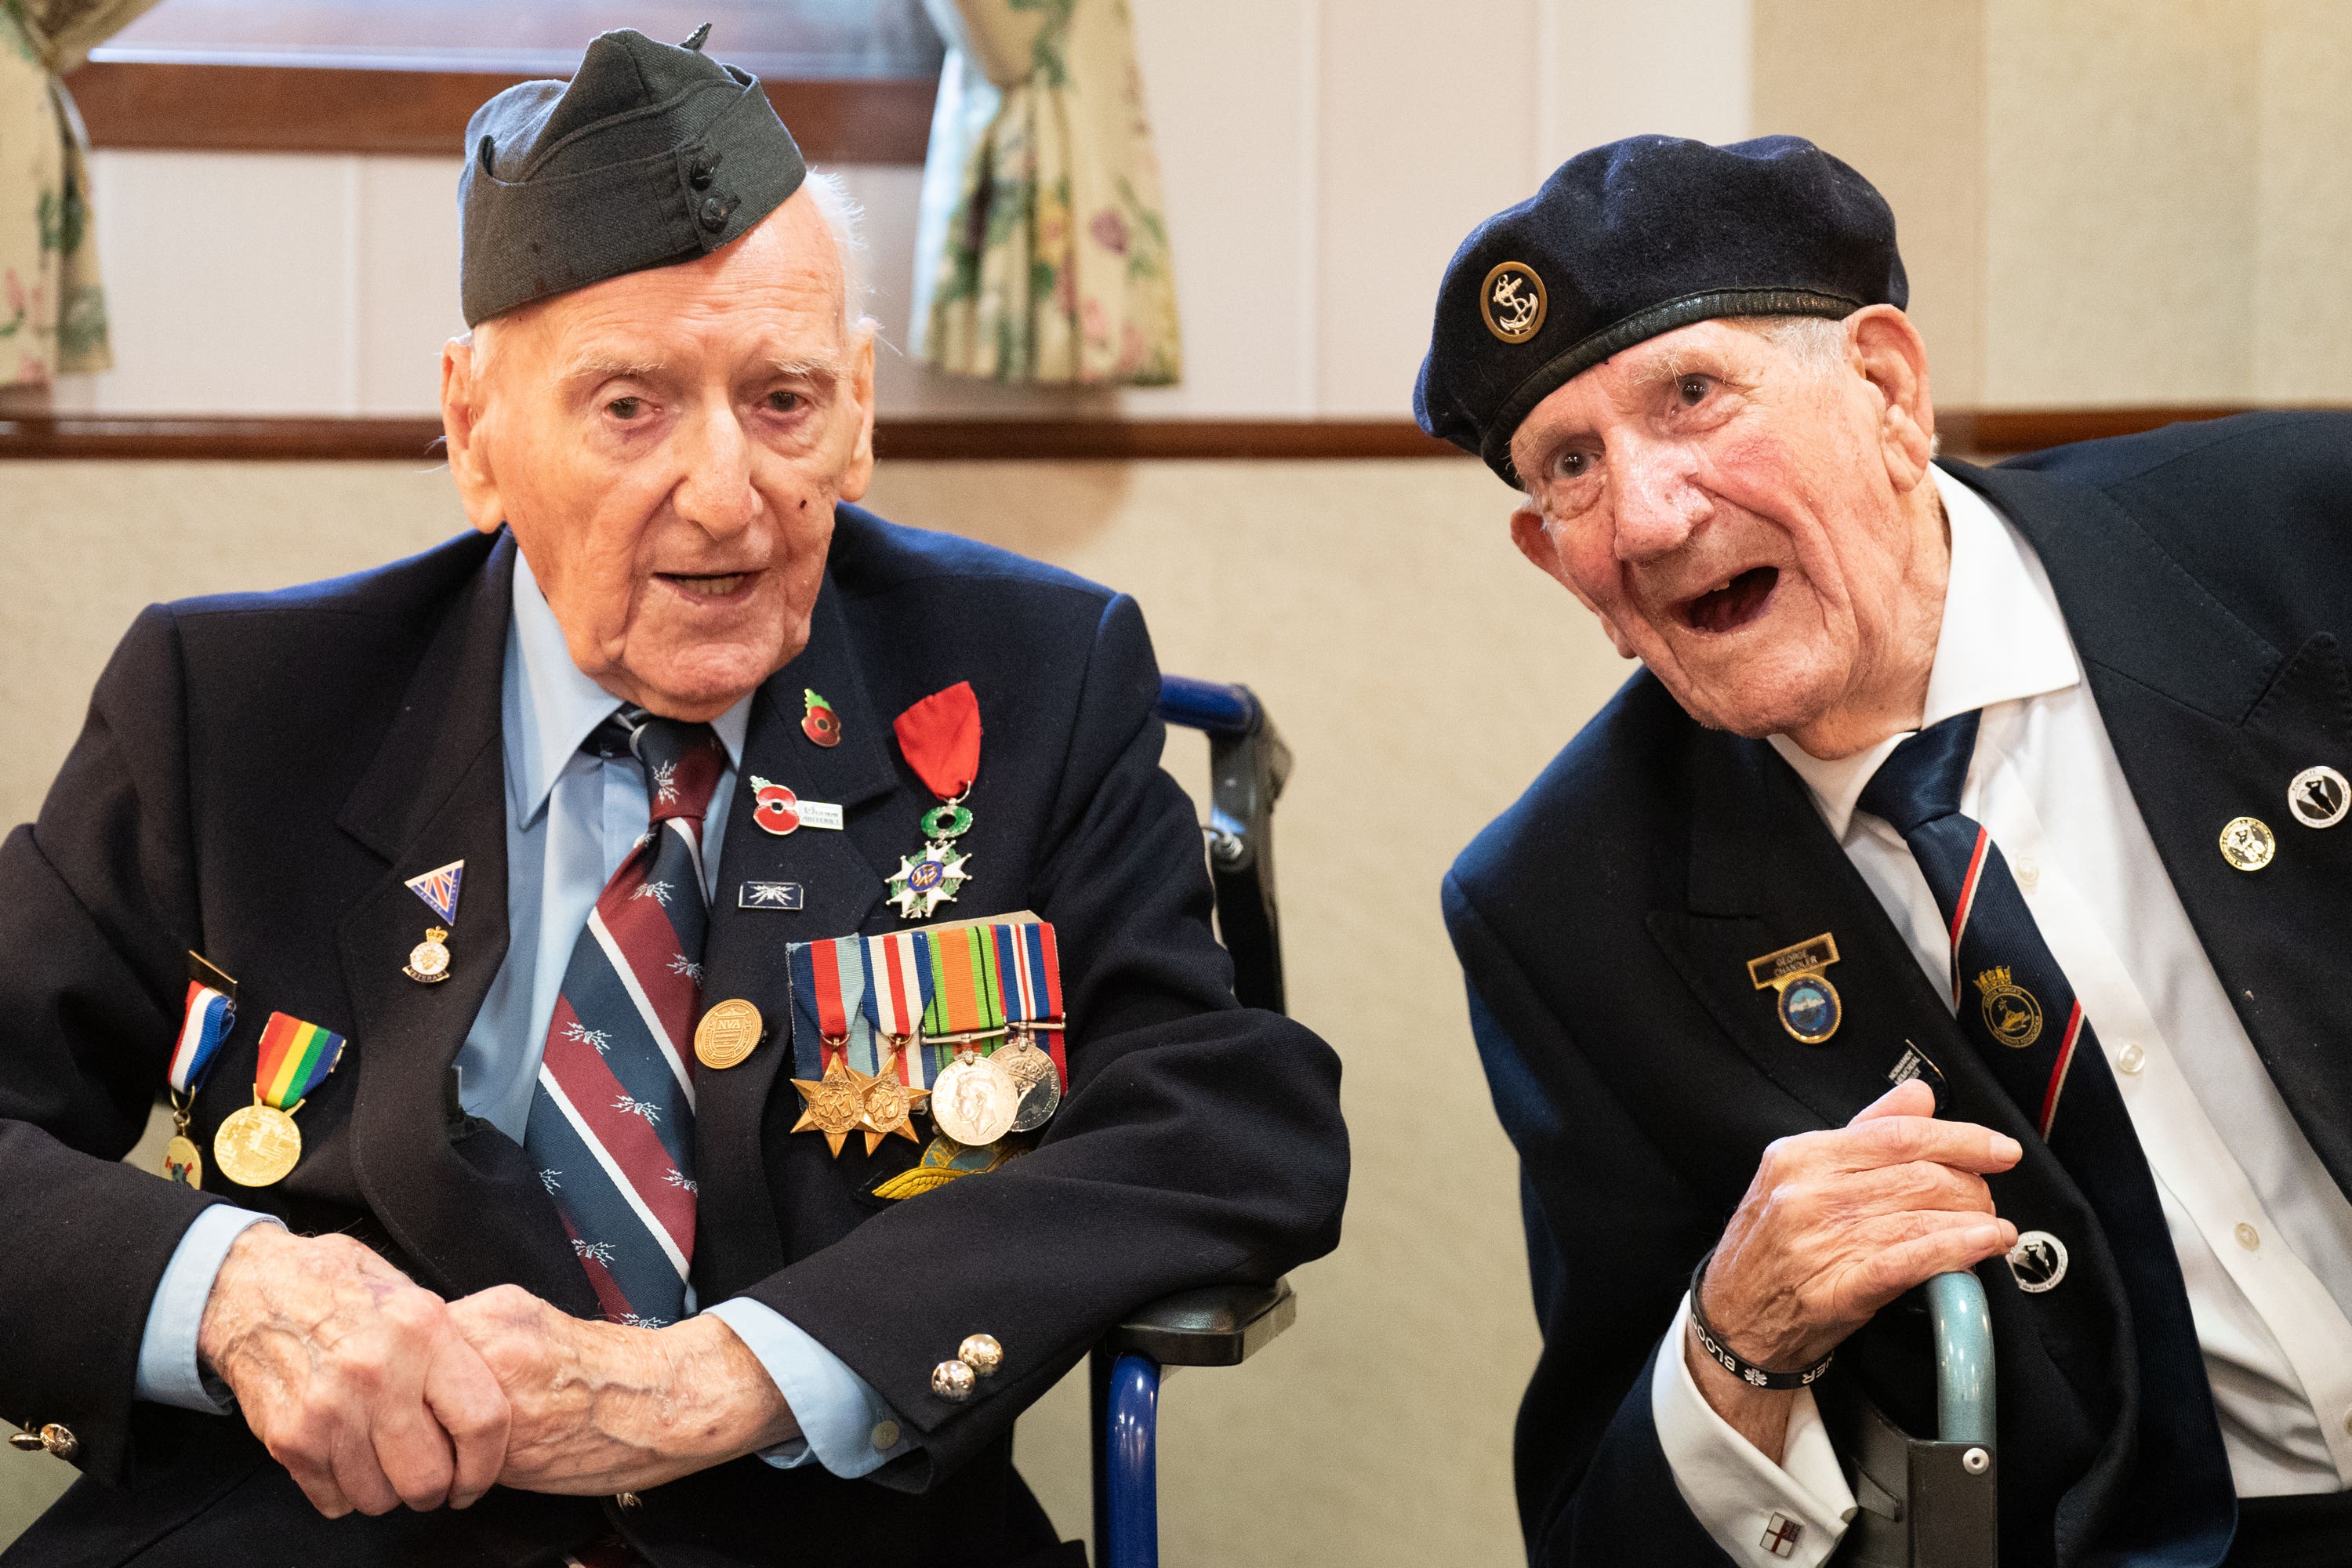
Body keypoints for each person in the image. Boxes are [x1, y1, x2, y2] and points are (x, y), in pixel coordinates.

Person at [0, 27, 1346, 1566]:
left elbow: (1231, 1117)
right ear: (471, 429)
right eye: (630, 405)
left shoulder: (1030, 674)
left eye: (782, 402)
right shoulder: (235, 705)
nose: (725, 495)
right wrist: (231, 1288)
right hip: (307, 1524)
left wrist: (737, 1370)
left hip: (826, 1528)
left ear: (860, 411)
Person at [1421, 133, 2352, 1567]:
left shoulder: (2302, 541)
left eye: (1695, 396)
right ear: (1560, 565)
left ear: (1886, 387)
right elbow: (1602, 1534)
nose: (1657, 514)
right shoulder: (1565, 908)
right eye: (1574, 467)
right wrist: (1738, 1345)